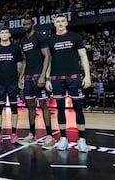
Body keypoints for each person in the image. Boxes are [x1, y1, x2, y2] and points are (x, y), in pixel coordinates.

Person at [45, 14, 91, 152]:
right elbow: (48, 61)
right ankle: (63, 139)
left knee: (78, 107)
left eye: (62, 21)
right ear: (54, 24)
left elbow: (83, 56)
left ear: (66, 23)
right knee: (59, 108)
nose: (60, 23)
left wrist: (87, 76)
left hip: (74, 76)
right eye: (57, 21)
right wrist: (47, 78)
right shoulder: (50, 40)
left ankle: (81, 140)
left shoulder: (75, 37)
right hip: (56, 78)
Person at [18, 18, 55, 148]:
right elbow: (24, 60)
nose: (26, 25)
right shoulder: (23, 41)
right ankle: (32, 134)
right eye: (24, 24)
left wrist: (43, 76)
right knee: (30, 106)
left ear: (33, 24)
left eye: (28, 23)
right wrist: (21, 77)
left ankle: (50, 136)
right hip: (28, 77)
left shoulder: (39, 37)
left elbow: (47, 56)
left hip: (38, 76)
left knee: (44, 105)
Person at [0, 26, 22, 144]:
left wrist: (19, 78)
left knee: (14, 109)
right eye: (2, 33)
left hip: (12, 83)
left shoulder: (15, 48)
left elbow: (19, 65)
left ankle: (14, 133)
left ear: (9, 35)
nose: (4, 34)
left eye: (6, 33)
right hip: (0, 83)